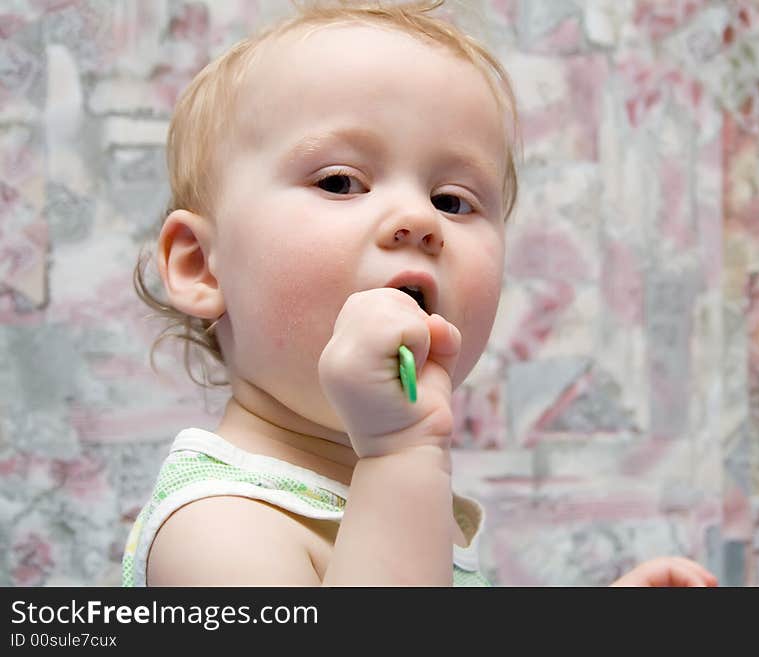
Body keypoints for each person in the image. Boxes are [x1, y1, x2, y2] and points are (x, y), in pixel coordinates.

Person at [123, 0, 717, 587]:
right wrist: (400, 452)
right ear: (203, 266)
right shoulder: (217, 530)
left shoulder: (402, 499)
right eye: (340, 182)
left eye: (453, 200)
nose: (418, 218)